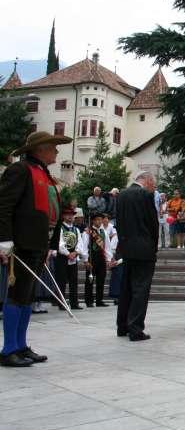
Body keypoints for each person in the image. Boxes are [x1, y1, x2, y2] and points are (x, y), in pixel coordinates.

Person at [0, 130, 71, 367]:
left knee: (28, 296)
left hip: (38, 244)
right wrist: (5, 240)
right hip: (21, 243)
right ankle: (8, 348)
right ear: (40, 149)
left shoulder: (43, 173)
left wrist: (51, 244)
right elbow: (4, 206)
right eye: (53, 147)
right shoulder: (20, 170)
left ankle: (20, 345)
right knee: (17, 294)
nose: (56, 151)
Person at [115, 171, 159, 341]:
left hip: (126, 247)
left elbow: (118, 221)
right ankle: (135, 328)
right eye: (153, 185)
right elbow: (152, 223)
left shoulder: (122, 195)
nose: (153, 188)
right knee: (141, 289)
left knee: (126, 288)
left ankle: (122, 326)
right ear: (147, 181)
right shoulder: (146, 195)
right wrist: (153, 245)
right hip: (144, 248)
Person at [55, 205, 84, 310]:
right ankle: (61, 303)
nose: (70, 217)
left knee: (73, 281)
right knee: (61, 281)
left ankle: (74, 303)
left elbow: (80, 243)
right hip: (62, 257)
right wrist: (68, 254)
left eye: (72, 215)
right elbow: (59, 244)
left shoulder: (76, 229)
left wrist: (76, 252)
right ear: (64, 216)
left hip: (73, 257)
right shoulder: (60, 228)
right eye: (68, 215)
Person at [81, 212, 112, 308]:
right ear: (93, 221)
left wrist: (108, 259)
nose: (99, 221)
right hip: (92, 257)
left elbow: (107, 247)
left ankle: (99, 300)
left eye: (100, 220)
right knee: (89, 280)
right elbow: (84, 246)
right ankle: (89, 300)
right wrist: (85, 260)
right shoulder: (88, 232)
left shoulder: (104, 232)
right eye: (97, 220)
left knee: (101, 279)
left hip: (101, 258)